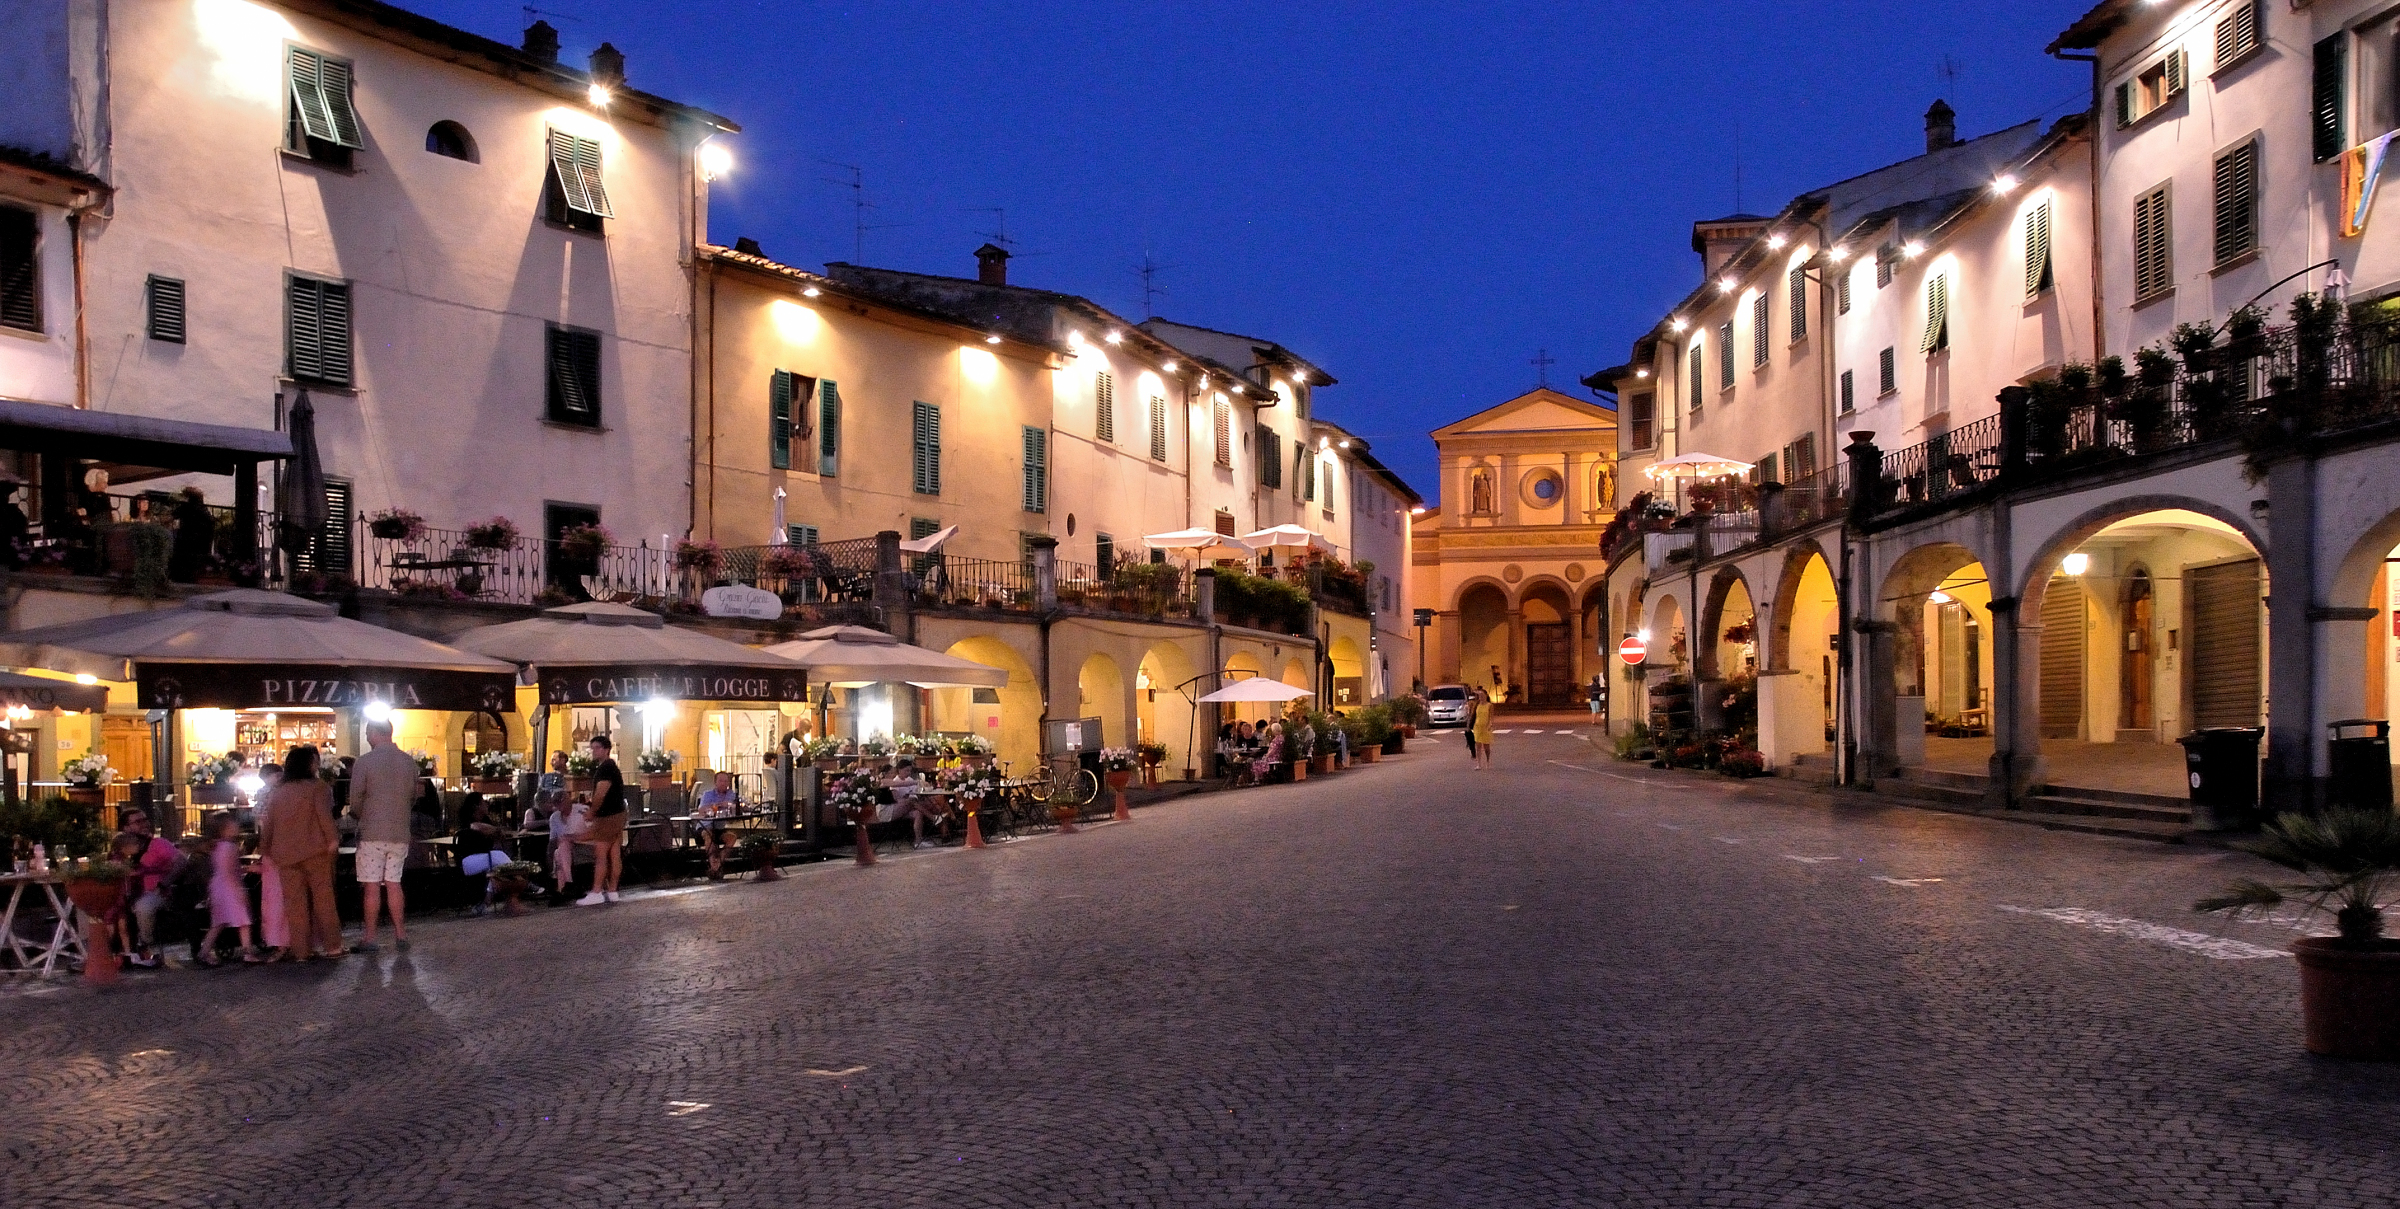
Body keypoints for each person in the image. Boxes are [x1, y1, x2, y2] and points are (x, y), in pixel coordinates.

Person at [258, 746, 343, 960]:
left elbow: (270, 822)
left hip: (284, 854)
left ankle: (301, 951)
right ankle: (333, 947)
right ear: (308, 764)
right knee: (324, 900)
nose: (318, 765)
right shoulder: (317, 787)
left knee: (295, 905)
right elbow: (324, 816)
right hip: (316, 851)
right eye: (315, 761)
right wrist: (333, 839)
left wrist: (265, 847)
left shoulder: (279, 790)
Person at [344, 718, 416, 952]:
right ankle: (401, 934)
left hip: (373, 831)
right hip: (400, 831)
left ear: (375, 733)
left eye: (367, 732)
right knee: (395, 883)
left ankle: (370, 937)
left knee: (372, 885)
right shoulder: (408, 762)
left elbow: (355, 801)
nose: (366, 737)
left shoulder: (365, 762)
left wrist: (360, 815)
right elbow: (413, 797)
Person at [117, 809, 180, 968]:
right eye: (138, 822)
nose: (144, 824)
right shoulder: (120, 848)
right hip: (126, 893)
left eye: (145, 820)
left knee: (144, 906)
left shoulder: (158, 844)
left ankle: (144, 945)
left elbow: (182, 862)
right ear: (126, 828)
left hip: (154, 892)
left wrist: (164, 883)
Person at [197, 811, 261, 966]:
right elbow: (231, 870)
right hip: (230, 887)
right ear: (225, 829)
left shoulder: (216, 846)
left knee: (218, 922)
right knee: (243, 921)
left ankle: (203, 953)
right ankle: (247, 952)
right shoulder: (230, 847)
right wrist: (242, 884)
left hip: (218, 886)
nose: (237, 827)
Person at [575, 735, 627, 906]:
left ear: (606, 749)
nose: (593, 751)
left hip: (607, 816)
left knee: (601, 854)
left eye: (597, 747)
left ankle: (597, 891)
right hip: (618, 814)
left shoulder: (605, 769)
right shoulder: (611, 767)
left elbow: (600, 793)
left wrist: (592, 811)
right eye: (592, 747)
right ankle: (612, 891)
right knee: (614, 853)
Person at [455, 798, 506, 915]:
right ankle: (523, 880)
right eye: (483, 802)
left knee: (498, 868)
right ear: (476, 806)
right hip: (469, 860)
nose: (486, 804)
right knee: (499, 856)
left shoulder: (486, 820)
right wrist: (496, 830)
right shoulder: (467, 822)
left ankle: (485, 902)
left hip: (485, 858)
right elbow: (475, 827)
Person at [691, 770, 740, 876]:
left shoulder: (731, 794)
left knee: (732, 837)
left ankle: (717, 864)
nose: (723, 783)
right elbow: (701, 810)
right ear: (715, 782)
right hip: (705, 827)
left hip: (718, 828)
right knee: (709, 836)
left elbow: (734, 807)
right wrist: (719, 804)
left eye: (726, 781)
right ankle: (715, 868)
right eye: (721, 781)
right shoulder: (707, 794)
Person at [167, 486, 215, 582]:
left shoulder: (186, 507)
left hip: (186, 542)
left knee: (181, 567)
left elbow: (169, 518)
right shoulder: (205, 511)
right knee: (193, 569)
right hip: (200, 544)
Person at [1468, 687, 1496, 771]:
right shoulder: (1477, 705)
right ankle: (1479, 764)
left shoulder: (1489, 705)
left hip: (1486, 727)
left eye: (1482, 695)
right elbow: (1472, 715)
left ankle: (1488, 762)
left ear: (1486, 696)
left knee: (1486, 747)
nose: (1481, 697)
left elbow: (1491, 717)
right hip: (1477, 727)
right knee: (1478, 746)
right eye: (1479, 695)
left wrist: (1490, 724)